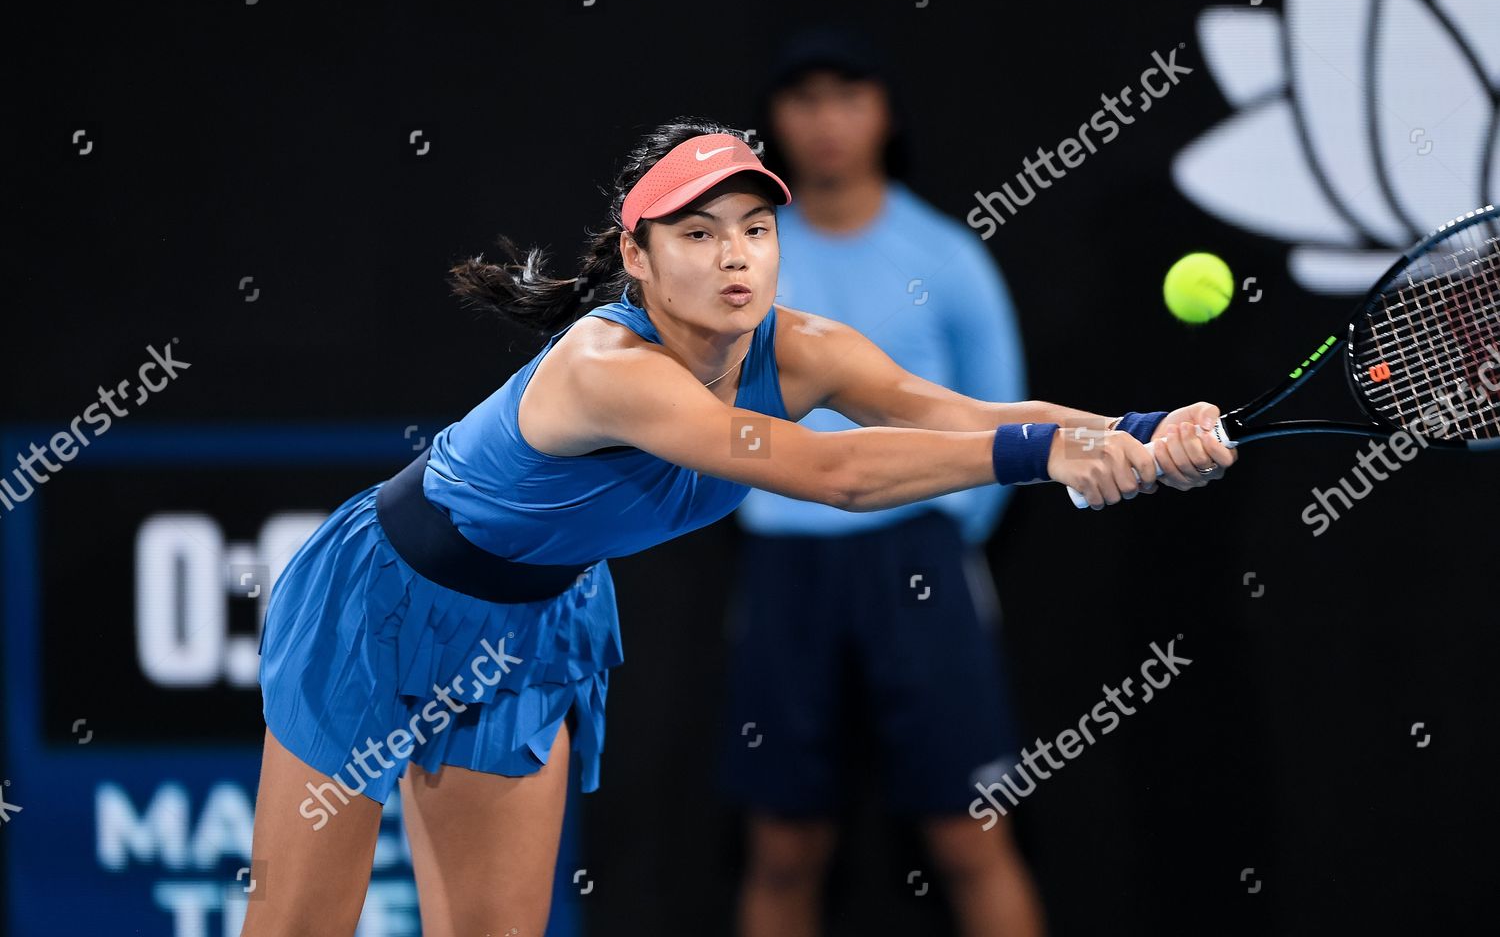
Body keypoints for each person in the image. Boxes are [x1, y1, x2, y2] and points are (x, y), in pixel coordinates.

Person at [242, 117, 1237, 937]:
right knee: (299, 924)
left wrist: (1134, 432)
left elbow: (955, 415)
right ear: (637, 254)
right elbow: (834, 472)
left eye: (756, 229)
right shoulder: (607, 369)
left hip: (529, 630)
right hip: (376, 604)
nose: (737, 258)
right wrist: (1041, 457)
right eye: (699, 233)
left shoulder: (803, 349)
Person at [720, 27, 1045, 936]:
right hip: (786, 574)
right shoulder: (740, 260)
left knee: (973, 836)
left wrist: (935, 529)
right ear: (775, 120)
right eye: (805, 98)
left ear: (886, 114)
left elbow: (999, 421)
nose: (826, 121)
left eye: (849, 96)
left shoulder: (947, 259)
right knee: (783, 846)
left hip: (921, 565)